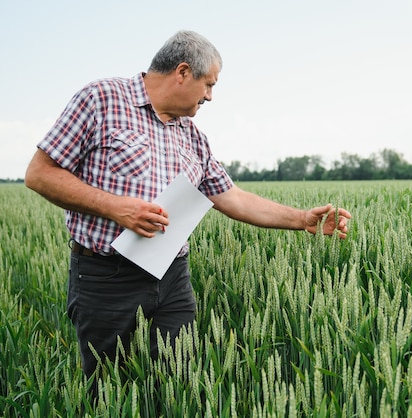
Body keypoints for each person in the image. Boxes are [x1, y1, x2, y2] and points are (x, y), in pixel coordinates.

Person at [24, 30, 351, 379]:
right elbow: (40, 174)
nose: (210, 96)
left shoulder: (192, 135)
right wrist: (116, 207)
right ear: (182, 72)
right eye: (208, 85)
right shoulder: (101, 99)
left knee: (179, 382)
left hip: (172, 277)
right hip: (107, 278)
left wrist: (302, 219)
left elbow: (232, 197)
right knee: (108, 388)